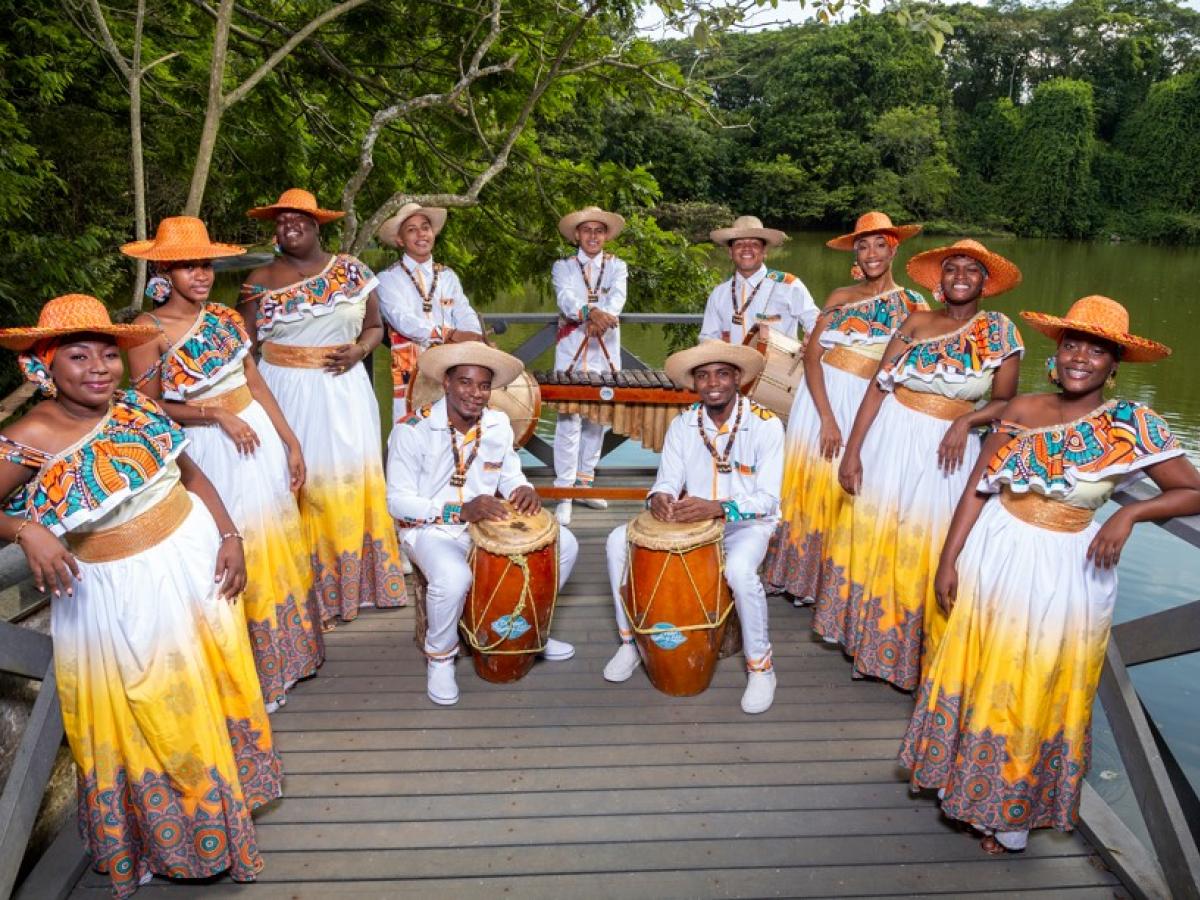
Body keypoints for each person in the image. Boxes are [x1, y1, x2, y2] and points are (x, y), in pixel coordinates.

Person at [0, 294, 281, 897]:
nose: (100, 368)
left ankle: (227, 809)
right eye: (79, 356)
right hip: (118, 595)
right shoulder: (26, 437)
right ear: (42, 365)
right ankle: (184, 837)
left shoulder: (136, 409)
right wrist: (26, 529)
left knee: (214, 682)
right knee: (158, 710)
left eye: (108, 354)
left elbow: (192, 475)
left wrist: (230, 536)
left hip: (194, 562)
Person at [901, 295, 1200, 854]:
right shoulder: (1020, 410)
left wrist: (1130, 512)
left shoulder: (1131, 424)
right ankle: (967, 792)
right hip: (996, 550)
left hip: (1067, 568)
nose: (1080, 357)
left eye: (1097, 349)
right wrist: (949, 558)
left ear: (1115, 365)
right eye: (1071, 344)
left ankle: (1011, 807)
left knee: (1037, 680)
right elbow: (976, 488)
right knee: (981, 668)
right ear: (1056, 353)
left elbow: (1192, 491)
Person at [122, 216, 324, 712]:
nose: (201, 274)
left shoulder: (226, 318)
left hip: (258, 438)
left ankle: (289, 660)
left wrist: (290, 439)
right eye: (187, 266)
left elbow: (254, 381)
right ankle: (248, 674)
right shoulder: (146, 331)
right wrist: (214, 415)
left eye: (206, 264)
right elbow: (149, 409)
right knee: (235, 546)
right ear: (163, 272)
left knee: (276, 540)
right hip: (210, 447)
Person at [835, 240, 1023, 690]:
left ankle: (918, 661)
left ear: (984, 282)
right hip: (889, 441)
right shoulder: (915, 322)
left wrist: (967, 419)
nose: (960, 275)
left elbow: (1007, 403)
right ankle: (871, 649)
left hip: (944, 453)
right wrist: (853, 450)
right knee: (881, 536)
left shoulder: (999, 331)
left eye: (970, 270)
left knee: (929, 546)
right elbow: (879, 388)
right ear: (940, 280)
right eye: (951, 268)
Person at [239, 188, 407, 628]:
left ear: (317, 226)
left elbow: (375, 326)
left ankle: (357, 586)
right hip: (285, 391)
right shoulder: (258, 280)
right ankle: (308, 593)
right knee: (298, 482)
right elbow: (243, 349)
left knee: (348, 480)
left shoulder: (352, 271)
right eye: (280, 221)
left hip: (344, 389)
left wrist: (359, 351)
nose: (288, 226)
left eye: (298, 219)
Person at [386, 342, 578, 706]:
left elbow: (508, 472)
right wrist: (459, 511)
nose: (476, 394)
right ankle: (440, 656)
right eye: (465, 383)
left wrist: (521, 487)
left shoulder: (498, 423)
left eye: (484, 386)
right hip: (431, 529)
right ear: (446, 382)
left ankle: (530, 631)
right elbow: (397, 502)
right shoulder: (412, 430)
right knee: (453, 578)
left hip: (486, 525)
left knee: (565, 545)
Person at [602, 341, 784, 714]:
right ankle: (629, 644)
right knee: (616, 541)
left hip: (746, 525)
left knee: (739, 571)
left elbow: (768, 499)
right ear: (695, 383)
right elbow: (666, 481)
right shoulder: (684, 424)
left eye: (721, 374)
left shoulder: (767, 425)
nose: (712, 383)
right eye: (703, 376)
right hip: (695, 523)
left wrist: (718, 507)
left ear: (737, 379)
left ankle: (761, 667)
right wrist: (660, 498)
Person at [763, 212, 926, 611]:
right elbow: (814, 358)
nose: (871, 253)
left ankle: (831, 585)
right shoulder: (839, 297)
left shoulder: (914, 306)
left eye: (879, 245)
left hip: (871, 405)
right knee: (808, 482)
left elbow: (912, 371)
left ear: (894, 249)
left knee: (849, 492)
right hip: (820, 401)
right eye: (863, 245)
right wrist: (827, 417)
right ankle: (795, 578)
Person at [551, 205, 628, 525]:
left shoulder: (618, 266)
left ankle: (584, 482)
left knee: (598, 419)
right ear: (577, 235)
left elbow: (617, 300)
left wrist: (599, 316)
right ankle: (563, 492)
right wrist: (589, 313)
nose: (593, 236)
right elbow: (565, 300)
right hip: (572, 350)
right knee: (569, 421)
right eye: (587, 231)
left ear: (606, 236)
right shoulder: (563, 266)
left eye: (599, 231)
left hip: (606, 350)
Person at [375, 203, 484, 422]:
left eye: (425, 227)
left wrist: (475, 338)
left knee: (452, 434)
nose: (421, 234)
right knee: (409, 433)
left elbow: (463, 310)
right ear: (400, 240)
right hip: (410, 371)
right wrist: (450, 334)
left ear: (433, 233)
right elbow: (402, 320)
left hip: (452, 369)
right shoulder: (387, 279)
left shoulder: (448, 276)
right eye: (411, 229)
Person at [700, 215, 818, 345]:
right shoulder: (719, 294)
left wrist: (810, 346)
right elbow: (708, 338)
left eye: (754, 244)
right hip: (733, 364)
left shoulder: (789, 285)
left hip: (778, 365)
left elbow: (815, 323)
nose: (746, 248)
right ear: (730, 252)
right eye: (739, 243)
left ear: (764, 251)